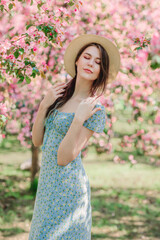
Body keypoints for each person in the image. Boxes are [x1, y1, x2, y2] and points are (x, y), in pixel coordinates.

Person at [29, 34, 120, 240]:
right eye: (87, 57)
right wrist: (44, 105)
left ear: (101, 71)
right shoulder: (59, 96)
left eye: (98, 62)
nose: (91, 64)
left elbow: (64, 157)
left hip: (69, 190)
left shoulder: (94, 109)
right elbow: (37, 141)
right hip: (47, 185)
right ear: (77, 60)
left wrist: (78, 119)